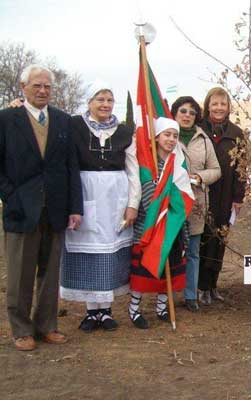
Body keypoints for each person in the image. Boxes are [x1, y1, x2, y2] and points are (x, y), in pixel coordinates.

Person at [0, 64, 82, 351]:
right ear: (23, 87)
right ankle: (21, 329)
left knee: (49, 274)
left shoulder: (63, 121)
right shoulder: (7, 119)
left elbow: (71, 166)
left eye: (47, 86)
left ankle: (47, 325)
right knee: (21, 272)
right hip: (21, 210)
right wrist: (11, 196)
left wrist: (75, 207)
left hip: (56, 210)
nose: (43, 90)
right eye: (37, 85)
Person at [59, 81, 140, 332]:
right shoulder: (74, 126)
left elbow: (133, 170)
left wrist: (132, 204)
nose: (105, 104)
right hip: (84, 193)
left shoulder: (125, 132)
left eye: (109, 100)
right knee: (88, 253)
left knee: (110, 253)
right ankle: (90, 312)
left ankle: (105, 311)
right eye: (100, 99)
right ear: (89, 102)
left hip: (116, 195)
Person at [128, 117, 190, 329]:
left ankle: (162, 307)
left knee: (169, 267)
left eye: (175, 136)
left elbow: (183, 197)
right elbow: (147, 198)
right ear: (156, 137)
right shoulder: (147, 165)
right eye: (167, 135)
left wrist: (170, 199)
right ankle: (134, 309)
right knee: (143, 272)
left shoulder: (178, 167)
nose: (171, 139)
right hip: (149, 225)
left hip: (172, 225)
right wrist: (161, 200)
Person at [171, 96, 221, 312]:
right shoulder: (166, 136)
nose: (187, 115)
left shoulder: (204, 140)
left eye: (192, 112)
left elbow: (216, 170)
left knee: (192, 252)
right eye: (183, 111)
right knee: (170, 250)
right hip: (171, 203)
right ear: (174, 113)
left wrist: (200, 177)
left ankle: (191, 295)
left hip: (196, 203)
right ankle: (167, 296)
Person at [198, 87, 246, 305]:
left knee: (219, 239)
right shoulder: (198, 129)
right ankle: (199, 287)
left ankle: (212, 285)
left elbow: (242, 169)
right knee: (201, 239)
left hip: (226, 195)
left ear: (228, 107)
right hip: (202, 192)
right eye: (215, 104)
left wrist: (238, 197)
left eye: (223, 104)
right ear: (208, 105)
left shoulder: (236, 134)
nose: (218, 108)